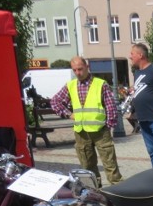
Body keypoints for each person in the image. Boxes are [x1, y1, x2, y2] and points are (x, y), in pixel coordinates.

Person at [50, 56, 123, 186]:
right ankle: (95, 191)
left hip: (100, 130)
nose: (78, 73)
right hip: (81, 132)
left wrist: (108, 125)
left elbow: (110, 106)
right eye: (75, 70)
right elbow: (55, 102)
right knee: (87, 167)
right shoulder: (71, 85)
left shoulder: (100, 84)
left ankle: (119, 192)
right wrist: (68, 114)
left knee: (110, 166)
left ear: (87, 67)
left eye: (80, 69)